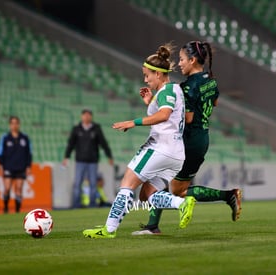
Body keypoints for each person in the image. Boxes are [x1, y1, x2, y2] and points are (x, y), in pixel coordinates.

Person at [83, 44, 196, 239]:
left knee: (127, 183)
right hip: (176, 154)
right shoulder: (171, 90)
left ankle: (108, 230)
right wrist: (150, 101)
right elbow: (168, 111)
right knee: (146, 196)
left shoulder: (168, 91)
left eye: (147, 75)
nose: (145, 79)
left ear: (159, 74)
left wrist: (133, 122)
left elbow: (164, 115)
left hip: (159, 148)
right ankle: (181, 203)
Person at [133, 41, 242, 235]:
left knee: (177, 191)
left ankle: (228, 196)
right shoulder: (211, 79)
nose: (179, 63)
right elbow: (214, 101)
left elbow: (187, 118)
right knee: (162, 180)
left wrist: (153, 104)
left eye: (182, 60)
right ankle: (152, 226)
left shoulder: (188, 87)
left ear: (192, 60)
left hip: (188, 141)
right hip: (202, 138)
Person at [63, 109, 113, 208]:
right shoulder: (77, 129)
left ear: (91, 117)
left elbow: (103, 143)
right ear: (82, 117)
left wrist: (109, 156)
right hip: (80, 161)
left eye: (88, 115)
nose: (86, 117)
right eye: (85, 115)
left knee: (93, 184)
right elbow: (71, 144)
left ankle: (92, 205)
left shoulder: (96, 128)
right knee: (78, 183)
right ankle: (76, 205)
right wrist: (66, 157)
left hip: (93, 161)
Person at [0, 116, 32, 214]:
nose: (14, 125)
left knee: (19, 189)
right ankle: (5, 208)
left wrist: (28, 166)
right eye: (12, 123)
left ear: (19, 124)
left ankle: (17, 210)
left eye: (16, 123)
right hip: (8, 166)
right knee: (7, 188)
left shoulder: (25, 138)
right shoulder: (5, 138)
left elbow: (29, 153)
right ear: (10, 125)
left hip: (21, 166)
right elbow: (0, 153)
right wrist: (1, 166)